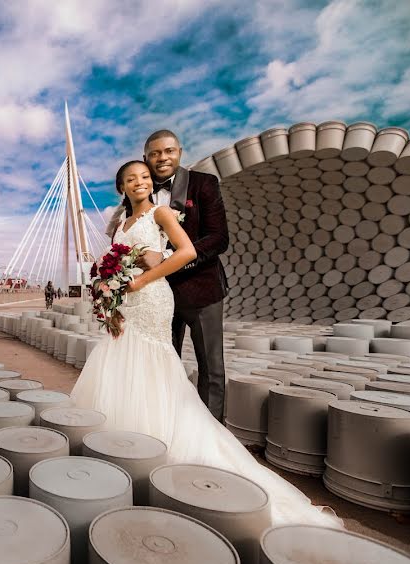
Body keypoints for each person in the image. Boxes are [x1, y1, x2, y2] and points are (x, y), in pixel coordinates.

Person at [72, 159, 339, 527]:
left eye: (145, 177)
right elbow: (115, 262)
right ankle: (120, 446)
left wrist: (147, 276)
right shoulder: (120, 222)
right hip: (125, 300)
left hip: (150, 297)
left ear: (151, 183)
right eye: (131, 179)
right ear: (121, 186)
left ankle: (154, 445)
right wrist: (107, 287)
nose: (140, 183)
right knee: (119, 356)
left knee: (151, 360)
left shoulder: (161, 213)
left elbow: (186, 252)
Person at [122, 129, 229, 422]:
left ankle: (212, 434)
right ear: (146, 158)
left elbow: (219, 238)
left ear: (180, 152)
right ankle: (167, 425)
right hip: (156, 299)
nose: (162, 158)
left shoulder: (204, 184)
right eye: (155, 153)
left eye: (168, 151)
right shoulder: (137, 192)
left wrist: (167, 258)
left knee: (212, 368)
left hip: (201, 292)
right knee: (161, 366)